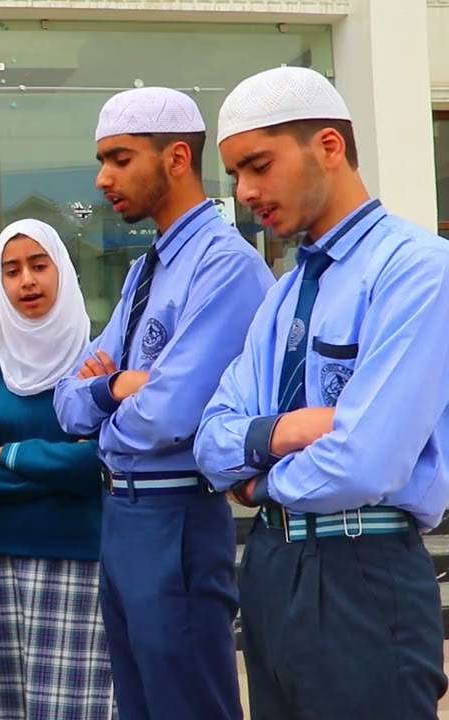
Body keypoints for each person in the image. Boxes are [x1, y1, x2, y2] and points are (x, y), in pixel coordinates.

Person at [195, 65, 449, 720]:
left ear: (329, 146)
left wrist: (258, 483)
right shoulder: (283, 294)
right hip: (272, 569)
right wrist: (283, 432)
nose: (246, 192)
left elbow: (366, 460)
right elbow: (213, 437)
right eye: (236, 177)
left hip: (363, 571)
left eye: (258, 165)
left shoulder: (417, 271)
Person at [52, 87, 274, 720]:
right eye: (102, 160)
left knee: (186, 704)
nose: (102, 178)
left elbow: (170, 414)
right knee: (141, 706)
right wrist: (114, 385)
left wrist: (109, 404)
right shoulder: (146, 267)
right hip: (121, 513)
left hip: (176, 509)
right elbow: (67, 401)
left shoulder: (224, 265)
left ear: (177, 158)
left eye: (119, 158)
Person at [0, 219, 113, 720]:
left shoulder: (94, 363)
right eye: (12, 270)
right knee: (1, 710)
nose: (27, 281)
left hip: (82, 560)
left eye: (39, 266)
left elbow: (97, 463)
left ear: (61, 271)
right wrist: (60, 470)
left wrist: (16, 455)